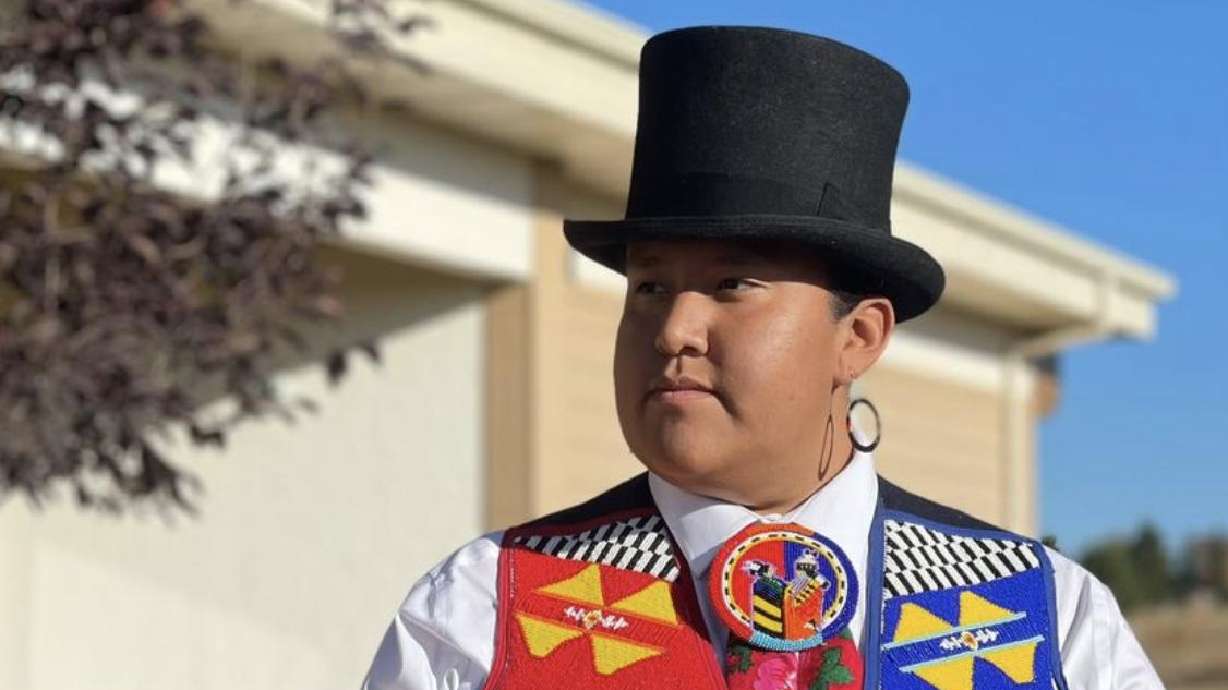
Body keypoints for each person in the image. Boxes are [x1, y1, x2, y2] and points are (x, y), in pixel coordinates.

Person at [362, 26, 1164, 690]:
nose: (675, 327)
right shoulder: (484, 611)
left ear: (860, 338)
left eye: (731, 284)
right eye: (647, 287)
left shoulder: (1043, 618)